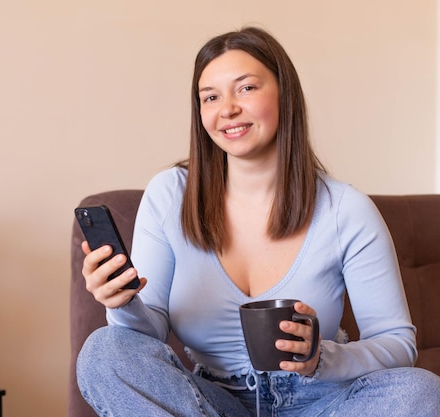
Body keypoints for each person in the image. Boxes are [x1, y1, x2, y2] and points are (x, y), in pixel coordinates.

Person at [76, 26, 440, 417]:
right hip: (208, 404)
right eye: (210, 97)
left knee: (420, 390)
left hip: (323, 401)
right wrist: (124, 302)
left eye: (246, 88)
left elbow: (397, 342)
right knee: (105, 349)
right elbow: (146, 334)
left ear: (285, 93)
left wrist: (322, 357)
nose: (227, 108)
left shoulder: (345, 209)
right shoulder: (170, 195)